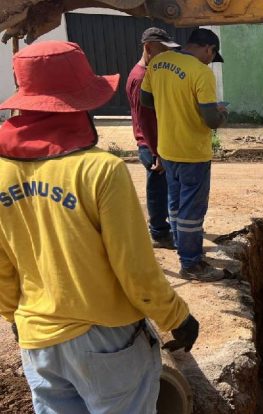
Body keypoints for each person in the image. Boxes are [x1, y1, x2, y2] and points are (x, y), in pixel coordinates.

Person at [0, 40, 198, 412]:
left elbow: (2, 267)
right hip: (106, 341)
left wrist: (14, 315)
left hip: (38, 341)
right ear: (82, 102)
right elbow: (135, 270)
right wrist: (176, 316)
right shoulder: (100, 170)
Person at [141, 28, 228, 282]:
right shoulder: (201, 72)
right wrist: (223, 113)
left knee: (176, 203)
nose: (210, 60)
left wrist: (172, 104)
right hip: (192, 152)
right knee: (192, 210)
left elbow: (146, 100)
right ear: (208, 49)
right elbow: (211, 120)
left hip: (167, 149)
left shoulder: (158, 63)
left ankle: (183, 249)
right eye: (212, 56)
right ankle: (191, 263)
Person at [126, 27, 180, 249]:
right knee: (157, 188)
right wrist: (157, 153)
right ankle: (159, 233)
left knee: (163, 186)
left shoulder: (148, 73)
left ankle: (167, 227)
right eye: (162, 50)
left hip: (155, 142)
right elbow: (146, 120)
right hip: (151, 144)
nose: (166, 56)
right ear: (148, 48)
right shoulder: (141, 78)